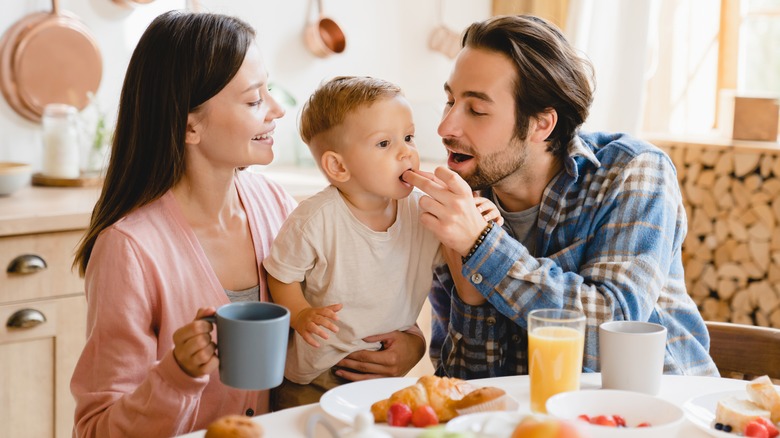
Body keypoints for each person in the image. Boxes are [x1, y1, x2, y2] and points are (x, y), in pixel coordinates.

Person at [401, 15, 720, 379]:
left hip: (660, 417)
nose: (445, 127)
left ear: (541, 124)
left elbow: (611, 337)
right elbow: (468, 390)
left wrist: (482, 248)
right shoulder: (457, 205)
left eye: (476, 109)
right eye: (449, 100)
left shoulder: (632, 171)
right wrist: (471, 300)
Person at [69, 11, 298, 437]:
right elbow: (95, 428)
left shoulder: (278, 206)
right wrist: (176, 374)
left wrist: (402, 343)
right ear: (189, 124)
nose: (278, 110)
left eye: (269, 91)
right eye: (254, 100)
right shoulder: (130, 249)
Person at [263, 76, 501, 409]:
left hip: (384, 374)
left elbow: (460, 260)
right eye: (384, 144)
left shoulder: (421, 210)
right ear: (338, 166)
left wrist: (477, 224)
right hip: (315, 377)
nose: (407, 152)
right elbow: (281, 273)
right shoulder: (314, 220)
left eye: (408, 137)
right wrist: (300, 314)